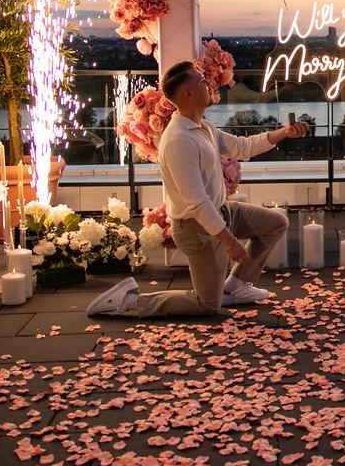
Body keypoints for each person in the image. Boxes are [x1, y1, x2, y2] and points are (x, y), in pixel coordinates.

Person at [87, 61, 308, 318]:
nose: (209, 84)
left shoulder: (203, 126)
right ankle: (129, 302)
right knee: (207, 305)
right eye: (202, 82)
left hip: (221, 212)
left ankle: (236, 286)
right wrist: (230, 242)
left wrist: (284, 132)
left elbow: (242, 147)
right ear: (188, 94)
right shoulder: (179, 140)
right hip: (196, 227)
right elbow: (197, 202)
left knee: (275, 223)